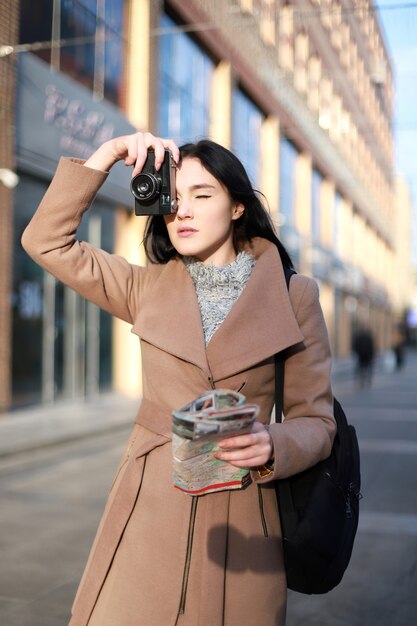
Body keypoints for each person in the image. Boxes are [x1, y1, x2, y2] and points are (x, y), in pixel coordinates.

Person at [22, 132, 335, 626]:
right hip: (147, 507)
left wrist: (272, 443)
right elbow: (46, 241)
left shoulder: (294, 296)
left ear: (236, 207)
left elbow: (316, 419)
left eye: (202, 195)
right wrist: (107, 155)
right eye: (174, 197)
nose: (182, 211)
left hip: (242, 513)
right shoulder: (144, 286)